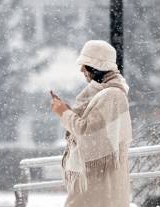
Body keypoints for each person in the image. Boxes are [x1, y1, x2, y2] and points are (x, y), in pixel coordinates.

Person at [51, 40, 133, 207]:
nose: (81, 70)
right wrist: (67, 111)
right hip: (96, 181)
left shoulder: (111, 95)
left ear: (97, 67)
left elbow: (87, 132)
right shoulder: (103, 94)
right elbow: (92, 127)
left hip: (98, 183)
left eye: (85, 65)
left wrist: (63, 113)